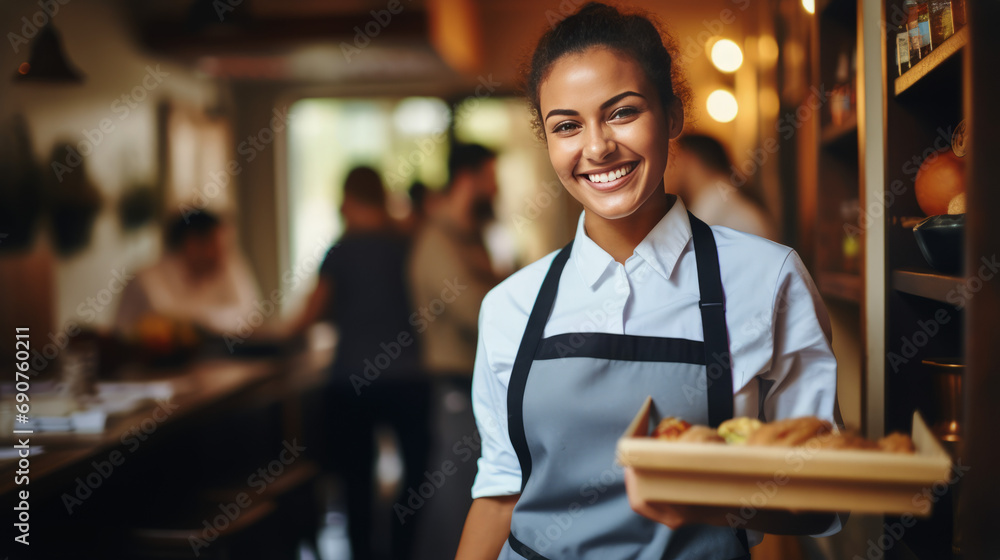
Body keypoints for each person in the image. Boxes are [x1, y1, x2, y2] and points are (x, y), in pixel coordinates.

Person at [456, 4, 842, 559]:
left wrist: (711, 500)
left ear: (674, 116)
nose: (596, 147)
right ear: (548, 142)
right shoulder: (509, 306)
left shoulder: (768, 278)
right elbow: (499, 494)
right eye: (567, 125)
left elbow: (823, 491)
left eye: (622, 112)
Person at [293, 166, 430, 560]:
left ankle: (364, 556)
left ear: (348, 200)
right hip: (410, 378)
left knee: (355, 482)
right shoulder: (407, 243)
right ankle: (404, 551)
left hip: (352, 381)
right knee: (414, 479)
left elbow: (309, 317)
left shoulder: (341, 251)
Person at [407, 143, 500, 558]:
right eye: (491, 176)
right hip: (455, 386)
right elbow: (475, 312)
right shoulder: (437, 241)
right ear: (469, 179)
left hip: (476, 383)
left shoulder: (469, 236)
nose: (497, 187)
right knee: (457, 498)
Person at [114, 210, 260, 335]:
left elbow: (250, 315)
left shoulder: (223, 268)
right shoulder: (146, 280)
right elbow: (172, 321)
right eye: (217, 246)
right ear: (192, 245)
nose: (224, 257)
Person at [666, 133, 778, 240]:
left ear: (687, 157)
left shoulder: (717, 210)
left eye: (671, 159)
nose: (666, 171)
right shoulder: (723, 200)